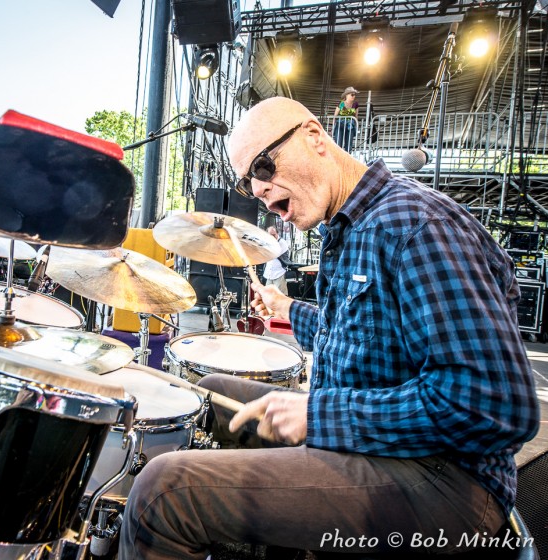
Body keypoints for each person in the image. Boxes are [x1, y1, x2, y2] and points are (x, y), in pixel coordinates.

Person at [118, 97, 539, 559]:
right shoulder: (351, 227)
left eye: (263, 166)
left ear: (315, 137)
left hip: (449, 480)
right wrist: (286, 306)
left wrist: (320, 416)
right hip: (387, 448)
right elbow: (361, 329)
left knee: (163, 492)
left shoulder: (415, 225)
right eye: (247, 182)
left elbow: (495, 405)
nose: (258, 189)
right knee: (213, 392)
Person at [262, 225, 290, 294]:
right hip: (269, 273)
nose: (272, 237)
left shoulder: (282, 242)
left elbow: (273, 253)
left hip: (279, 273)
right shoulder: (268, 242)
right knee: (267, 295)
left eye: (273, 235)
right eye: (270, 235)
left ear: (277, 233)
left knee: (280, 296)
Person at [332, 86, 359, 152]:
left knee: (349, 145)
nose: (354, 96)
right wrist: (333, 127)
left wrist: (356, 127)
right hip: (340, 125)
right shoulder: (341, 103)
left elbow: (356, 116)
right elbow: (335, 115)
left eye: (354, 95)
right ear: (347, 95)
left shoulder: (355, 104)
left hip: (350, 126)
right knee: (338, 143)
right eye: (352, 95)